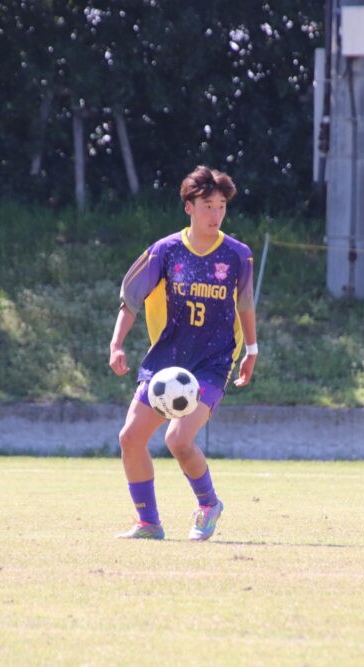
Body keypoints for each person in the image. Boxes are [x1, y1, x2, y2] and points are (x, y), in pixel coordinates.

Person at [108, 165, 258, 540]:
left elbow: (245, 304)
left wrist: (251, 350)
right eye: (208, 206)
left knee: (178, 440)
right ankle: (148, 523)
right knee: (130, 438)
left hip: (213, 362)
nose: (216, 214)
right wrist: (116, 343)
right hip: (166, 363)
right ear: (189, 207)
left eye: (221, 206)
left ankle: (209, 505)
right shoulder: (166, 251)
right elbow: (131, 300)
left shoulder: (237, 254)